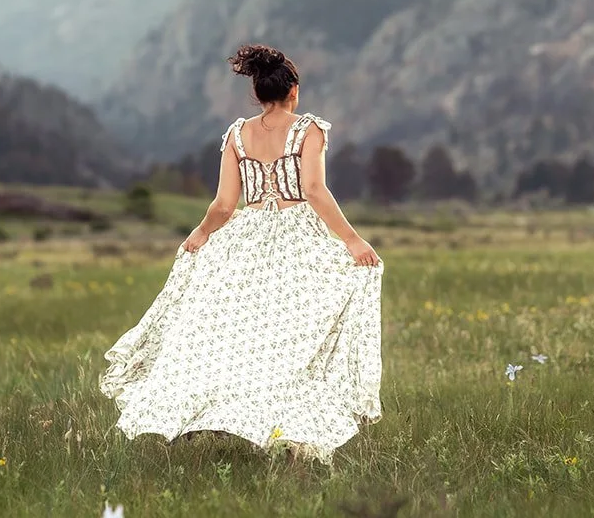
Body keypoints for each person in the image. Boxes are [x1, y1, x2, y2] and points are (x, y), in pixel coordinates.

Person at [100, 44, 383, 463]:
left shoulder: (236, 135)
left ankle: (221, 416)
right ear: (294, 90)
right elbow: (314, 191)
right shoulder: (309, 130)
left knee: (237, 333)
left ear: (257, 90)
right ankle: (292, 434)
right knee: (293, 336)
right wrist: (352, 240)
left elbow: (223, 205)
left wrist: (199, 233)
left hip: (245, 239)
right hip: (297, 238)